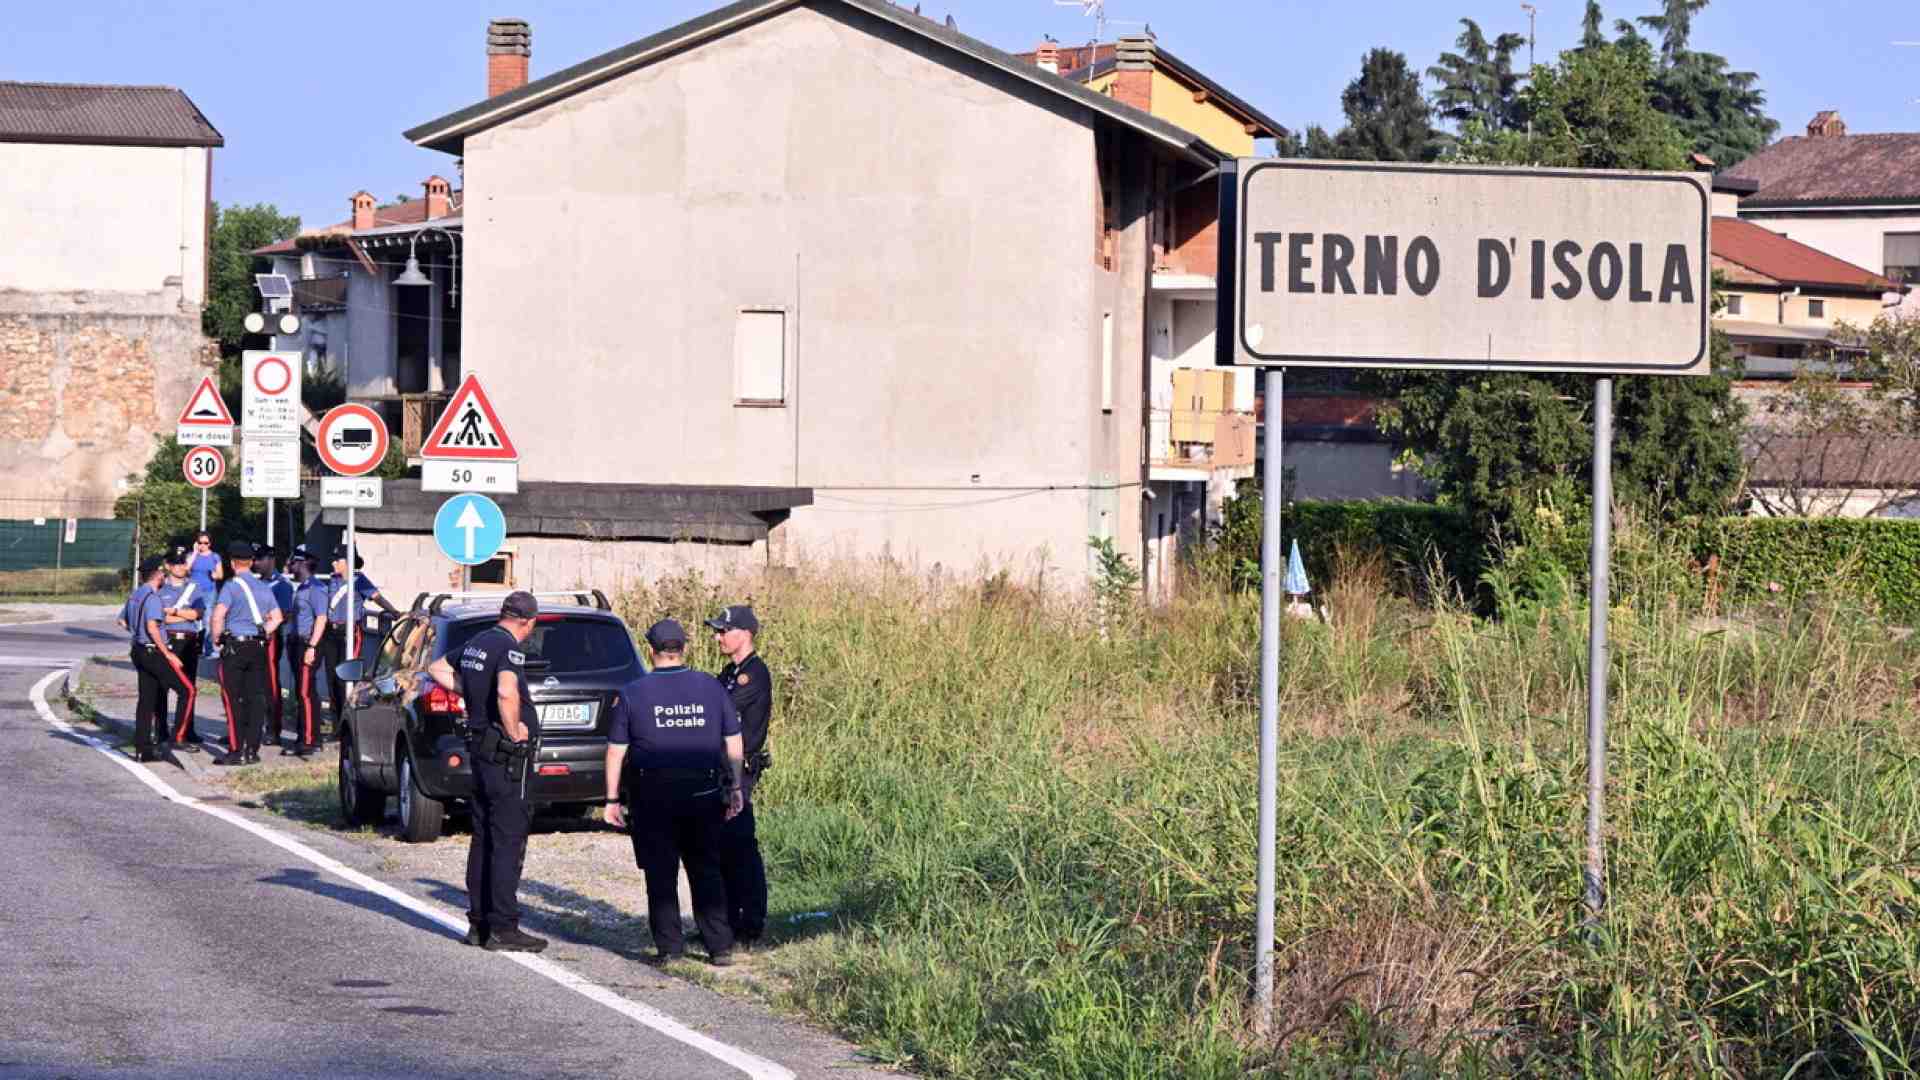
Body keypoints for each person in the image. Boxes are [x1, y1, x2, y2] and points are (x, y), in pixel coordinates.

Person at [604, 619, 746, 966]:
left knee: (660, 872)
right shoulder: (712, 686)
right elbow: (733, 741)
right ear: (683, 648)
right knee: (706, 869)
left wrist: (611, 799)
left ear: (650, 650)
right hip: (704, 792)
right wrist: (737, 786)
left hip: (653, 797)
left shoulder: (633, 692)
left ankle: (670, 948)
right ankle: (720, 946)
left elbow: (616, 750)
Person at [425, 591, 548, 953]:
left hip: (480, 750)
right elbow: (507, 693)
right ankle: (503, 927)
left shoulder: (478, 641)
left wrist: (473, 693)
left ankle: (478, 924)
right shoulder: (509, 648)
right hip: (505, 754)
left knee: (483, 836)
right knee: (508, 838)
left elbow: (437, 669)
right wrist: (514, 731)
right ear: (528, 622)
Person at [706, 604, 771, 948]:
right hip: (723, 768)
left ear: (744, 633)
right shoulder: (729, 672)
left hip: (740, 769)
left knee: (741, 847)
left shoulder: (753, 674)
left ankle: (750, 923)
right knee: (725, 849)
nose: (717, 637)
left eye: (723, 631)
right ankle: (729, 921)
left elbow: (718, 710)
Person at [209, 541, 282, 766]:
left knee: (232, 699)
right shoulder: (263, 587)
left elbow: (218, 615)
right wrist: (263, 633)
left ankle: (235, 750)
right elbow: (277, 617)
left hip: (235, 646)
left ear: (232, 563)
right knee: (255, 698)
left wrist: (216, 639)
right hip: (257, 647)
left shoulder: (231, 586)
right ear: (251, 562)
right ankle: (252, 750)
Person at [319, 545, 399, 732]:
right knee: (331, 677)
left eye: (337, 560)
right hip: (331, 632)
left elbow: (377, 598)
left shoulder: (360, 580)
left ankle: (348, 723)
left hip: (350, 632)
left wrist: (394, 612)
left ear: (347, 563)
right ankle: (336, 723)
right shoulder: (331, 581)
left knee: (346, 678)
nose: (333, 563)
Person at [155, 547, 207, 752]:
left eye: (184, 563)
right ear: (168, 566)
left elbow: (198, 614)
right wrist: (185, 614)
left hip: (190, 640)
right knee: (164, 686)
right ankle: (161, 730)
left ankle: (187, 729)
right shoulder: (161, 589)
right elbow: (161, 618)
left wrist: (176, 612)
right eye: (177, 563)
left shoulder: (194, 587)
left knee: (189, 686)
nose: (182, 567)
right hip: (169, 640)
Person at [125, 557, 172, 762]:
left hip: (138, 648)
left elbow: (121, 620)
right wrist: (167, 652)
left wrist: (137, 632)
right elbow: (153, 628)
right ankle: (174, 738)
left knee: (145, 700)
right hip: (153, 651)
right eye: (163, 572)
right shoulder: (152, 597)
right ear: (159, 574)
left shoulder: (135, 595)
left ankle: (142, 747)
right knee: (186, 689)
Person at [288, 548, 329, 755]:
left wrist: (312, 647)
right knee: (303, 691)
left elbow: (321, 618)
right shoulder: (302, 588)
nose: (289, 566)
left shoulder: (316, 588)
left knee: (305, 692)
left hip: (308, 644)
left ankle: (310, 740)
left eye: (292, 563)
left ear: (302, 564)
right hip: (297, 643)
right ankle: (303, 735)